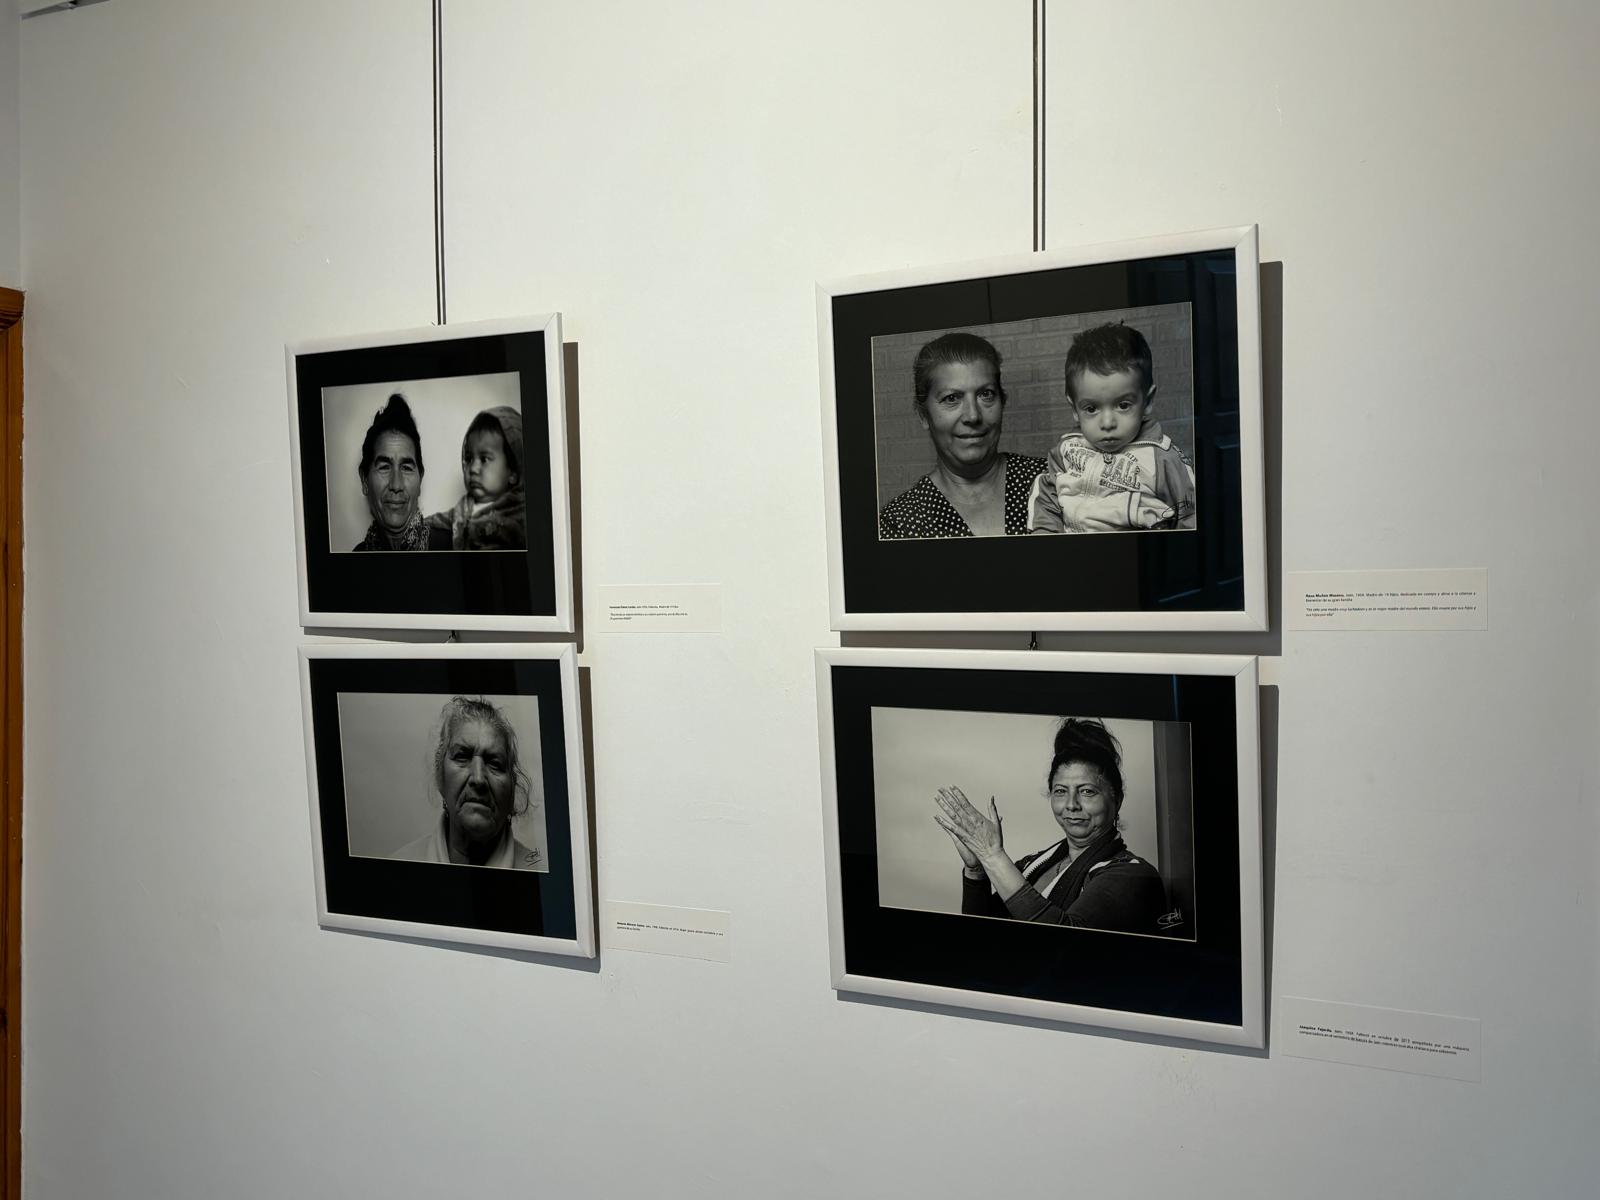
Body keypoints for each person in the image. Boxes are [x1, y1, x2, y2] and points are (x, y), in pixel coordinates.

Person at [932, 717, 1167, 932]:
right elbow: (980, 935)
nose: (1071, 805)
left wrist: (993, 857)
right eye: (1061, 791)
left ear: (1117, 799)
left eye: (1087, 791)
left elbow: (1064, 941)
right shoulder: (1033, 864)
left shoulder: (1133, 875)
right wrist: (977, 871)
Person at [1026, 323, 1197, 533]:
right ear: (1074, 408)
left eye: (1123, 405)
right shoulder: (1066, 451)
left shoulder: (1164, 460)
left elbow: (1191, 515)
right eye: (1091, 408)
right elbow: (1047, 496)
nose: (1107, 423)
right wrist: (1045, 534)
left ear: (1148, 401)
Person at [877, 332, 1047, 539]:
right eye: (951, 398)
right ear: (923, 415)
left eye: (986, 394)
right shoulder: (900, 522)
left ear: (1002, 401)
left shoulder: (1053, 480)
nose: (973, 416)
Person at [390, 696, 543, 870]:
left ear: (512, 790)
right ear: (440, 777)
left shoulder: (539, 873)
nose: (478, 778)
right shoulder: (397, 867)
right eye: (462, 756)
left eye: (495, 763)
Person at [353, 393, 453, 551]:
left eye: (406, 468)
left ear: (420, 480)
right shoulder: (354, 559)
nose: (396, 485)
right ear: (365, 480)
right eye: (384, 467)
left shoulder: (453, 546)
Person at [427, 406, 527, 550]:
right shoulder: (462, 510)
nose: (473, 469)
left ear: (512, 471)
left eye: (484, 459)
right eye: (468, 458)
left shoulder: (521, 516)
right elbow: (436, 522)